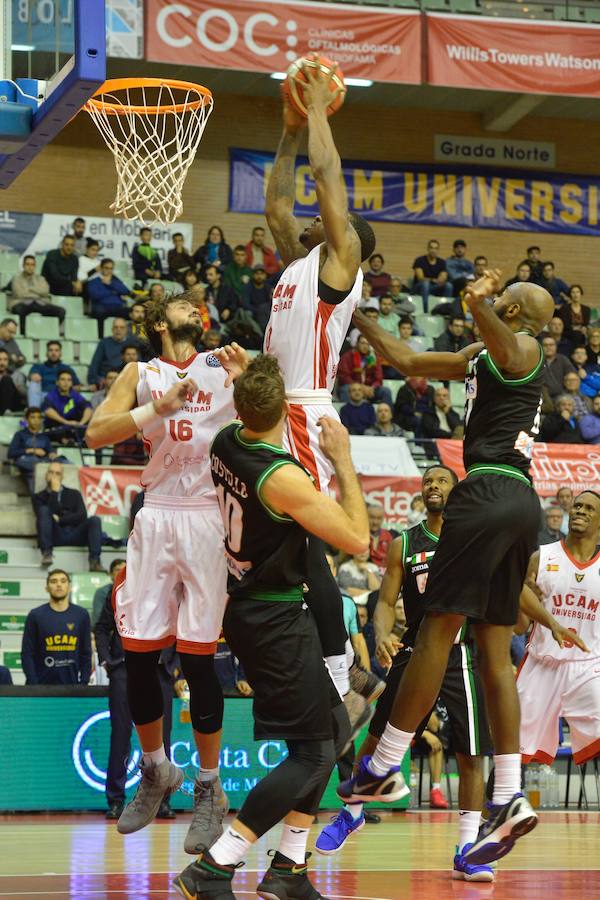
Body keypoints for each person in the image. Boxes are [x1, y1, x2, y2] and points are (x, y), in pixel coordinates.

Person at [342, 271, 554, 868]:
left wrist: (477, 301)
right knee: (491, 647)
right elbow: (405, 355)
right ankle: (509, 793)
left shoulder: (524, 347)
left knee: (436, 626)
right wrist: (350, 312)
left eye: (507, 298)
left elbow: (509, 342)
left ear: (513, 308)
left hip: (488, 491)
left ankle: (382, 767)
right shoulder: (484, 354)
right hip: (518, 504)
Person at [173, 354, 369, 900]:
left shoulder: (226, 441)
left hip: (255, 605)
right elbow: (356, 539)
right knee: (312, 753)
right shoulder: (281, 478)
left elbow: (252, 412)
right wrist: (343, 459)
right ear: (285, 409)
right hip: (273, 616)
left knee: (332, 733)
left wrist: (242, 379)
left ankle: (288, 869)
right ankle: (215, 866)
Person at [85, 290, 249, 851]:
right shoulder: (141, 372)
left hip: (208, 515)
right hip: (156, 514)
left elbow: (272, 415)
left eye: (202, 305)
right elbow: (95, 433)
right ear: (159, 322)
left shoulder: (222, 363)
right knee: (137, 657)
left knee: (202, 663)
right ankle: (156, 770)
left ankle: (209, 787)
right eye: (184, 306)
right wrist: (159, 407)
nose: (198, 310)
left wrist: (248, 376)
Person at [263, 58, 376, 722]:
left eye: (328, 222)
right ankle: (331, 673)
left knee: (309, 545)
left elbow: (327, 176)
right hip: (275, 414)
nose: (312, 220)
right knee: (279, 551)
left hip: (304, 413)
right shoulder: (300, 265)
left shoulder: (338, 268)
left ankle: (343, 677)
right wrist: (285, 129)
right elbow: (279, 202)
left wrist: (314, 111)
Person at [317, 465, 494, 881]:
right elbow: (384, 600)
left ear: (456, 491)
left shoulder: (472, 539)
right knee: (377, 738)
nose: (433, 486)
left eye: (442, 481)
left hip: (461, 654)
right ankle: (352, 812)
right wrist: (380, 632)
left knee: (470, 752)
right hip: (414, 650)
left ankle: (468, 846)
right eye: (428, 481)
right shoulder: (404, 544)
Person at [517, 491, 600, 770]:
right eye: (578, 506)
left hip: (589, 665)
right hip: (542, 662)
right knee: (515, 749)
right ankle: (501, 804)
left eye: (590, 509)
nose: (581, 511)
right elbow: (519, 625)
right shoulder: (541, 557)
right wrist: (526, 603)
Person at [95, 591, 180, 820]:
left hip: (161, 670)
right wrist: (107, 661)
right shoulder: (121, 588)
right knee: (121, 735)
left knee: (163, 739)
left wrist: (175, 665)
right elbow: (102, 628)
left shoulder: (171, 585)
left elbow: (183, 628)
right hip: (123, 668)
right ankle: (116, 800)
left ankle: (162, 801)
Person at [21, 569, 91, 685]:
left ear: (70, 587)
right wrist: (34, 684)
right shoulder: (35, 615)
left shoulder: (81, 615)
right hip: (41, 687)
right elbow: (27, 653)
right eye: (53, 581)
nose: (58, 584)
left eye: (63, 581)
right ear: (47, 588)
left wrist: (84, 682)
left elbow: (86, 652)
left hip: (73, 687)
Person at [33, 461, 104, 570]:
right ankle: (47, 553)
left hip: (76, 533)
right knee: (44, 510)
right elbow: (44, 516)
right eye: (51, 472)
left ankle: (95, 561)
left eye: (57, 473)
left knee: (95, 520)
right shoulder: (38, 497)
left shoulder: (74, 493)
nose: (54, 476)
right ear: (46, 475)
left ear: (62, 476)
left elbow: (82, 515)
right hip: (55, 535)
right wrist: (54, 492)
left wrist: (60, 519)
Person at [7, 406, 62, 493]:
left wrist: (52, 453)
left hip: (41, 464)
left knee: (62, 461)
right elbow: (11, 453)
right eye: (32, 417)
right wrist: (32, 450)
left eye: (38, 418)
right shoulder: (20, 435)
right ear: (27, 419)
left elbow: (50, 450)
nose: (36, 420)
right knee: (34, 463)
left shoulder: (44, 437)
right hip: (26, 461)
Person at [9, 255, 65, 332]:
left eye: (32, 265)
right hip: (22, 303)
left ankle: (47, 331)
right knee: (19, 309)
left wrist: (30, 289)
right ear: (23, 266)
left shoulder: (41, 278)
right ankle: (24, 332)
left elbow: (45, 291)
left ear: (35, 266)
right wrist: (38, 293)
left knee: (61, 311)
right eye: (27, 264)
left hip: (40, 303)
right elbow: (20, 294)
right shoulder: (16, 278)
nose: (30, 267)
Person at [337, 335, 392, 404]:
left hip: (369, 389)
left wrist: (372, 387)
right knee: (345, 389)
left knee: (386, 391)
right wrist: (360, 387)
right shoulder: (347, 356)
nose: (365, 346)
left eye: (367, 344)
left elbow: (378, 378)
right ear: (357, 344)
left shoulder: (373, 357)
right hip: (353, 387)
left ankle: (387, 413)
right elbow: (344, 376)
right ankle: (348, 413)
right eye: (362, 343)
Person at [27, 340, 81, 408]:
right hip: (42, 396)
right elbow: (31, 376)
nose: (53, 353)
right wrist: (33, 376)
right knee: (34, 384)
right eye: (50, 350)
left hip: (59, 396)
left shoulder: (67, 369)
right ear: (46, 353)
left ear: (60, 353)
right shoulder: (38, 367)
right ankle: (34, 411)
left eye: (56, 350)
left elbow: (77, 386)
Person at [42, 370, 92, 443]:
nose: (66, 383)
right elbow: (48, 411)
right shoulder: (51, 396)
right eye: (63, 379)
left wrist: (81, 424)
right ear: (57, 382)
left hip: (73, 428)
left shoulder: (76, 395)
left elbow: (88, 408)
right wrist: (66, 422)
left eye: (69, 380)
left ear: (71, 383)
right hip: (57, 428)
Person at [86, 258, 132, 333]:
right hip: (102, 306)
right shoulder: (94, 281)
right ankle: (100, 336)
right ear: (101, 268)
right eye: (106, 268)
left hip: (117, 307)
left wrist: (110, 284)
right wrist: (112, 292)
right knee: (99, 312)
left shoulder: (115, 281)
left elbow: (126, 291)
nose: (109, 270)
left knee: (132, 312)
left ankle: (128, 336)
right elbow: (94, 295)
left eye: (111, 268)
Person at [88, 318, 135, 387]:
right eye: (116, 327)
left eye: (122, 327)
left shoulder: (133, 343)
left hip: (127, 380)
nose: (118, 330)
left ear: (126, 330)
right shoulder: (104, 343)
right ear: (112, 329)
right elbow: (95, 364)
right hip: (106, 381)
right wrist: (96, 381)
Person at [412, 239, 452, 312]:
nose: (433, 250)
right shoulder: (420, 260)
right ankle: (425, 310)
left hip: (434, 287)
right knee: (425, 284)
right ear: (428, 249)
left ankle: (445, 309)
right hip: (419, 287)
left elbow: (443, 277)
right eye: (431, 248)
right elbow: (420, 278)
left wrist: (441, 279)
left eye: (436, 248)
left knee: (448, 285)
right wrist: (432, 280)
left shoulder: (441, 262)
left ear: (438, 250)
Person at [92, 558, 126, 627]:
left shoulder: (134, 593)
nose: (121, 573)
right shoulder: (102, 592)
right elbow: (98, 619)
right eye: (118, 570)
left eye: (124, 570)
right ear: (111, 574)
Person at [541, 335, 576, 399]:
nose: (548, 347)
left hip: (563, 396)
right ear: (541, 347)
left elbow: (573, 375)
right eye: (545, 345)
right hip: (543, 397)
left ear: (556, 346)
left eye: (551, 345)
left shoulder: (563, 360)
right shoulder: (537, 361)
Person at [0, 347, 22, 414]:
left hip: (12, 405)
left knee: (7, 379)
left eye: (5, 359)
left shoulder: (16, 374)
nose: (2, 362)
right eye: (0, 359)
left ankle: (6, 411)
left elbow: (24, 394)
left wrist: (18, 388)